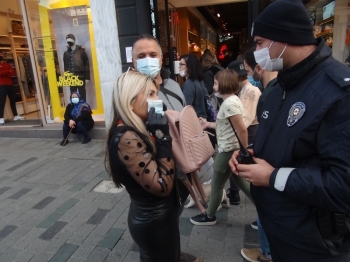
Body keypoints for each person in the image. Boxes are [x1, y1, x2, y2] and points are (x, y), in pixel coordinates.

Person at [229, 0, 350, 261]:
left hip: (316, 244)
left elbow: (343, 183)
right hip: (280, 231)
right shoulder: (279, 87)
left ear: (284, 38)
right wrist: (248, 153)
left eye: (260, 42)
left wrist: (272, 177)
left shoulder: (338, 93)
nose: (256, 51)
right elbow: (283, 141)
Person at [132, 34, 198, 262]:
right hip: (155, 174)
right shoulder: (130, 95)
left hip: (181, 168)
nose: (147, 60)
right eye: (141, 56)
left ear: (161, 58)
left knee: (173, 217)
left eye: (152, 54)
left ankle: (174, 253)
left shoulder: (172, 85)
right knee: (156, 226)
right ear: (133, 62)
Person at [105, 70, 180, 261]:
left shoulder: (137, 128)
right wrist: (163, 137)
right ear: (130, 100)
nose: (157, 99)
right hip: (154, 222)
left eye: (156, 93)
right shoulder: (127, 137)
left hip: (157, 218)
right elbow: (162, 185)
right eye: (151, 94)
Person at [190, 69, 251, 225]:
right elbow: (227, 124)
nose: (213, 85)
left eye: (216, 83)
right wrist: (207, 124)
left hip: (228, 151)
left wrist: (242, 152)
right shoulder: (232, 100)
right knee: (243, 184)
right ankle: (265, 210)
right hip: (231, 149)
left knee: (217, 184)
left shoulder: (229, 103)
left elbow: (242, 129)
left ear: (223, 84)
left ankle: (210, 215)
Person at [238, 47, 278, 262]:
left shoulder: (266, 92)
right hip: (266, 161)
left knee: (265, 207)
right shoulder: (269, 90)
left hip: (270, 169)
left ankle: (267, 253)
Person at [63, 33, 90, 101]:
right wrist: (67, 79)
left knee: (82, 94)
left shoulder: (81, 51)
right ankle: (75, 109)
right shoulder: (66, 54)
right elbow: (66, 67)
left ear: (74, 40)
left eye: (70, 40)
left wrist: (87, 77)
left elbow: (86, 65)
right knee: (73, 95)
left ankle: (84, 108)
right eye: (67, 40)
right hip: (71, 78)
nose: (69, 42)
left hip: (80, 76)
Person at [0, 53, 25, 125]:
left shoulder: (8, 65)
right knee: (1, 102)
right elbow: (2, 73)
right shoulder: (7, 66)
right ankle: (1, 118)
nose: (1, 62)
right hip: (2, 85)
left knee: (13, 100)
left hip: (10, 84)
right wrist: (7, 72)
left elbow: (12, 73)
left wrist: (5, 73)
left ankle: (15, 115)